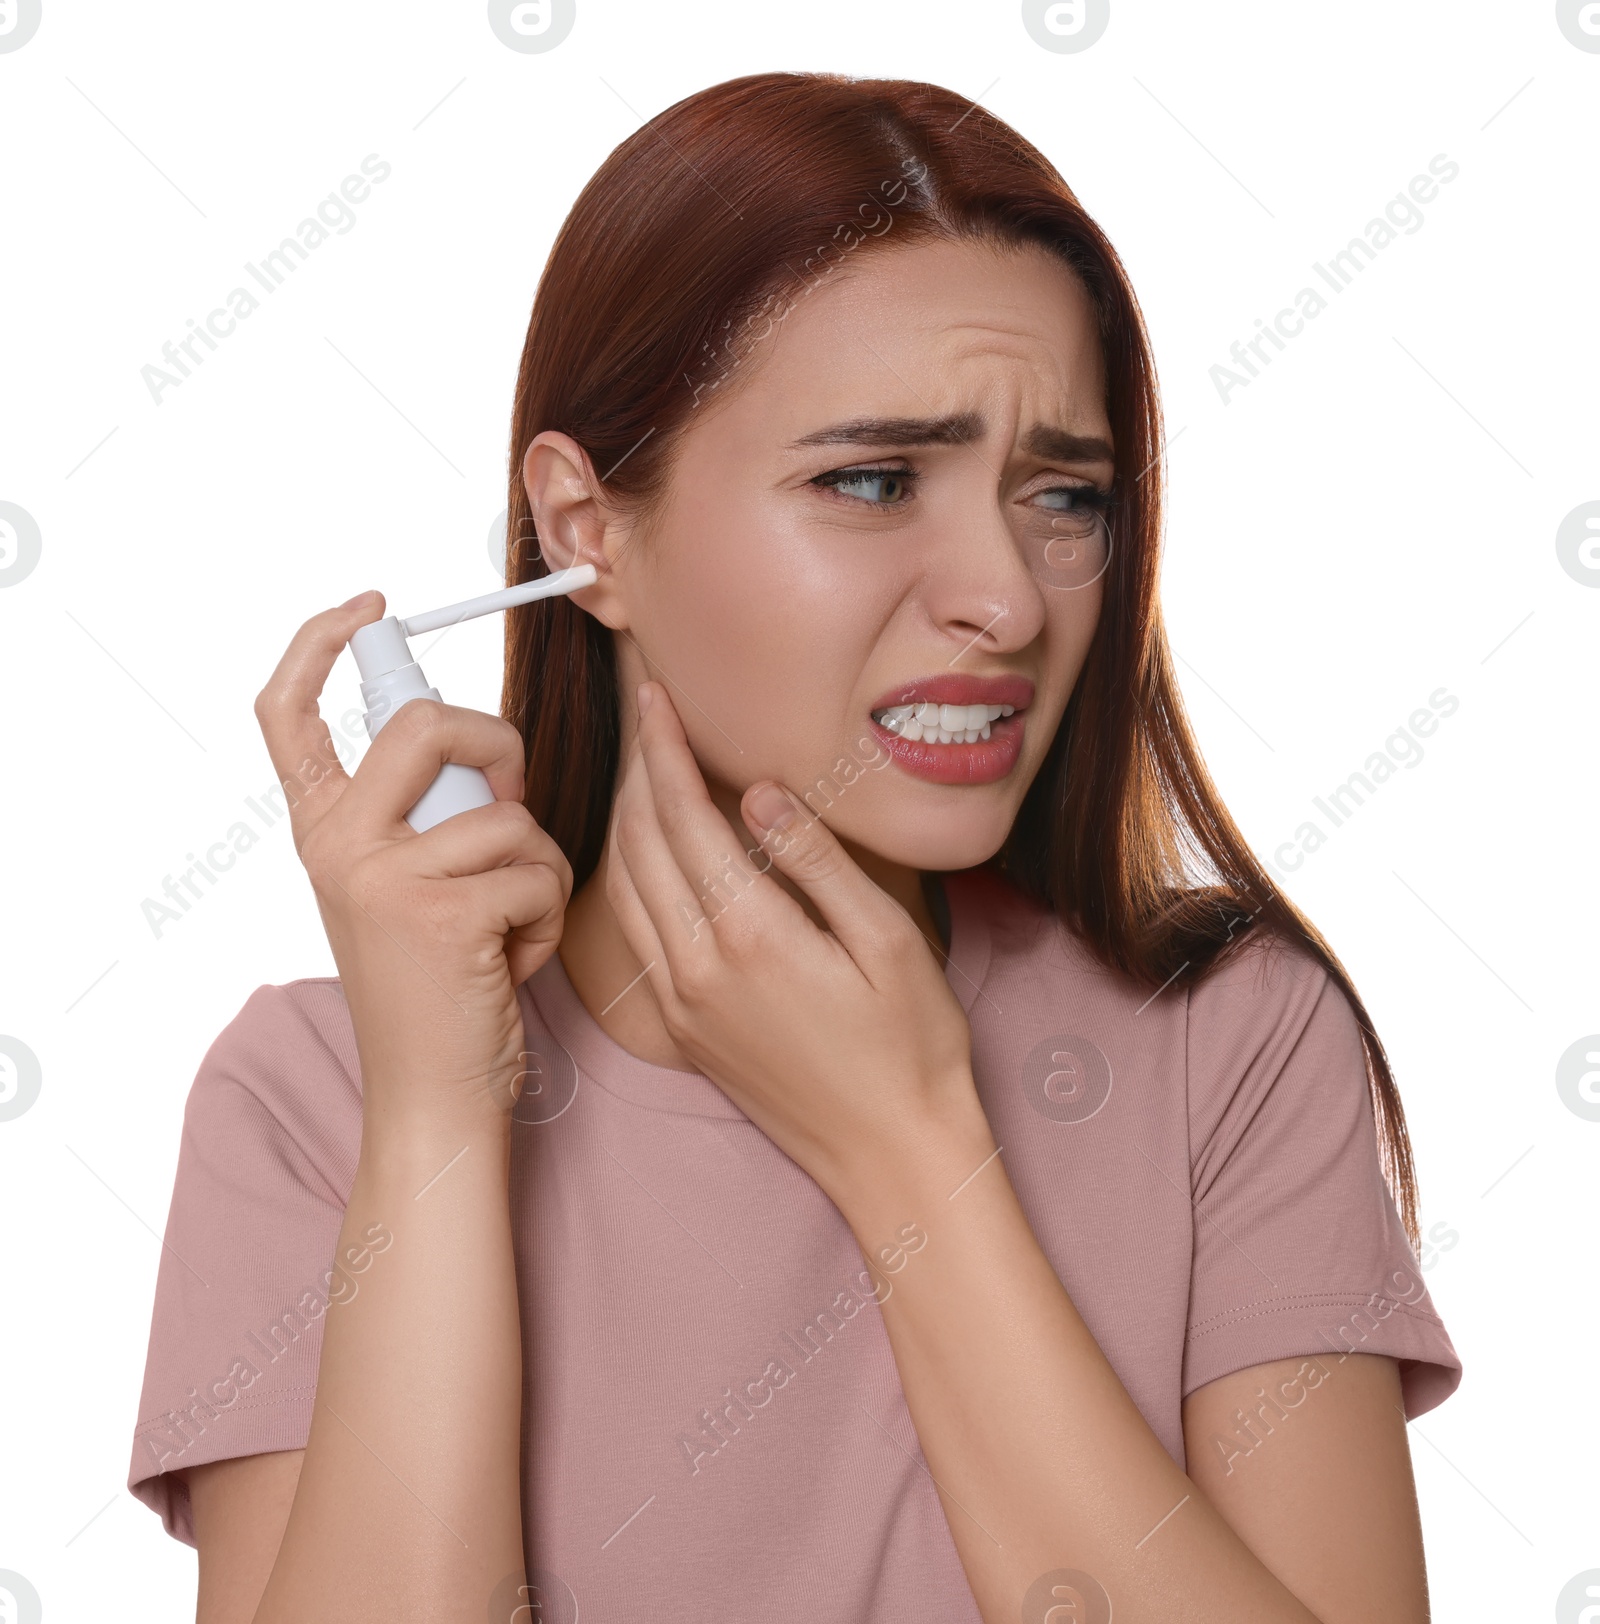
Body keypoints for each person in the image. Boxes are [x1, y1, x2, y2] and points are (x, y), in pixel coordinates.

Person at [128, 72, 1461, 1624]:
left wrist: (904, 1148)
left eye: (1064, 496)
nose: (1010, 600)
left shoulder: (1223, 1047)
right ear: (584, 530)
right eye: (875, 480)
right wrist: (436, 1118)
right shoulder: (321, 1102)